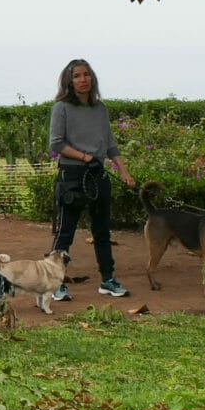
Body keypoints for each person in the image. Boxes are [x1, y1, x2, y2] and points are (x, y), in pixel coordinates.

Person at [47, 57, 135, 299]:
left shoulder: (100, 109)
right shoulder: (61, 108)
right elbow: (56, 144)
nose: (83, 79)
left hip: (98, 175)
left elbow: (110, 145)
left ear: (92, 78)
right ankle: (55, 282)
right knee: (66, 231)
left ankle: (108, 279)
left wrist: (124, 172)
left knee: (102, 232)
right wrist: (85, 157)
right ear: (69, 81)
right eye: (77, 76)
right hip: (73, 176)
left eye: (86, 74)